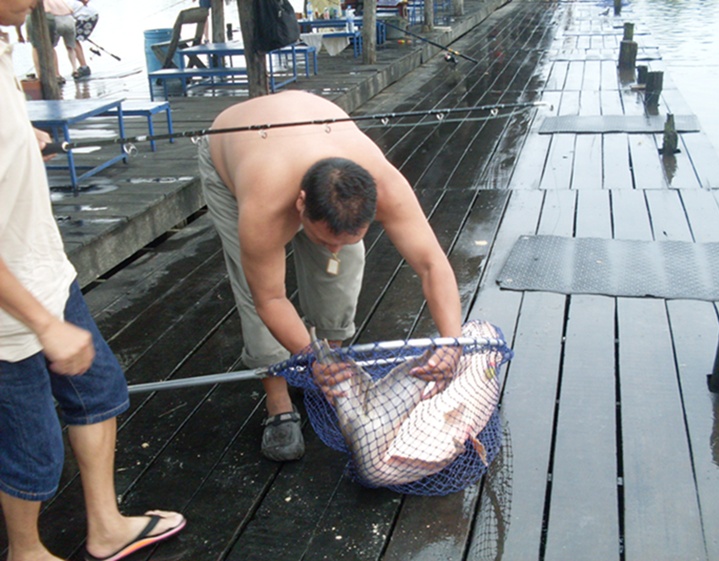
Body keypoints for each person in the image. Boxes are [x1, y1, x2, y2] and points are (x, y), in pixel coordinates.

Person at [0, 2, 186, 560]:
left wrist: (21, 132)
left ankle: (105, 526)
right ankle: (26, 551)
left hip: (44, 270)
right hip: (11, 316)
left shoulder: (4, 44)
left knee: (99, 391)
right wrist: (41, 324)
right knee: (32, 451)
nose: (36, 2)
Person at [197, 90, 463, 462]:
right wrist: (306, 354)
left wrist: (452, 341)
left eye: (351, 236)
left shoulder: (386, 186)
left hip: (312, 133)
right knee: (251, 282)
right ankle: (278, 403)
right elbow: (268, 298)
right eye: (325, 238)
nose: (332, 248)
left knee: (343, 265)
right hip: (234, 146)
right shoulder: (265, 207)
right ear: (301, 204)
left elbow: (433, 264)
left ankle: (330, 369)